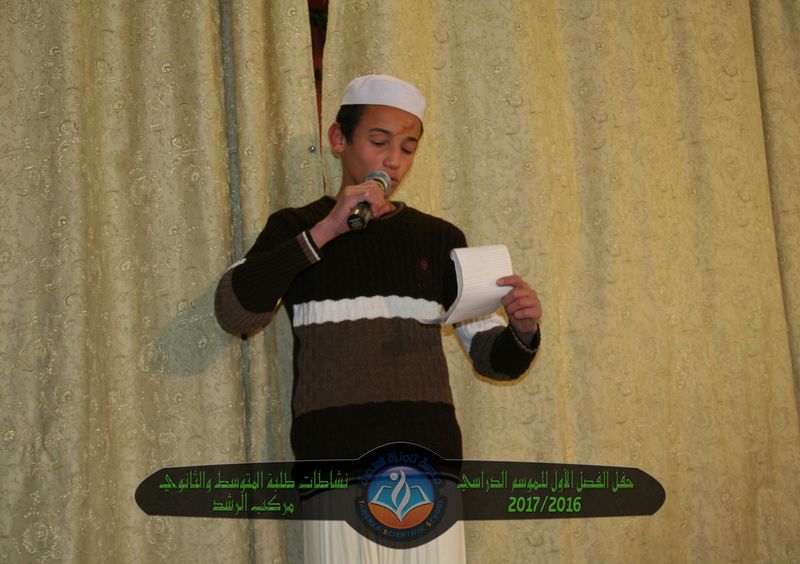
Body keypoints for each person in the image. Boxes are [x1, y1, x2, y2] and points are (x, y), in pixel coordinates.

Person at [214, 74, 542, 563]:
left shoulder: (441, 239)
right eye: (379, 141)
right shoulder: (295, 228)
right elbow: (235, 311)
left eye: (408, 148)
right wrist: (326, 231)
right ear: (338, 139)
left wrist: (523, 330)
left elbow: (491, 356)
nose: (393, 161)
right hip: (335, 466)